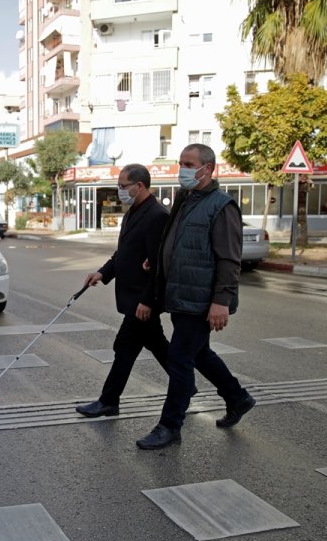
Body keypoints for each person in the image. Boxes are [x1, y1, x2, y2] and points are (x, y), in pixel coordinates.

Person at [136, 144, 255, 450]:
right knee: (199, 354)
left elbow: (229, 259)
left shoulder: (221, 205)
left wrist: (221, 301)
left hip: (202, 300)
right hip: (182, 294)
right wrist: (160, 262)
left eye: (189, 164)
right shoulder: (185, 199)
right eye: (181, 163)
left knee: (179, 359)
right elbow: (179, 243)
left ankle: (169, 425)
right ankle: (237, 397)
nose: (183, 169)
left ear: (208, 169)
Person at [75, 164, 170, 418]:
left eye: (122, 186)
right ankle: (189, 385)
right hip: (133, 298)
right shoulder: (133, 212)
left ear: (139, 186)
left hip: (142, 300)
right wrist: (102, 273)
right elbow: (124, 254)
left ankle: (108, 401)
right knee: (154, 346)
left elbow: (159, 265)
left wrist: (148, 301)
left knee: (125, 347)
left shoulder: (156, 215)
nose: (119, 191)